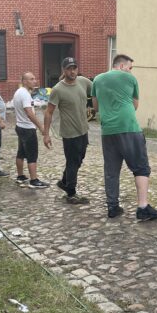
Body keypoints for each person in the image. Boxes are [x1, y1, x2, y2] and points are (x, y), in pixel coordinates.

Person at [92, 54, 157, 221]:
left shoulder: (97, 79)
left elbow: (95, 107)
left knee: (111, 170)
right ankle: (142, 207)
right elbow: (135, 105)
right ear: (122, 66)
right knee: (141, 168)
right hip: (129, 127)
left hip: (108, 130)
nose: (131, 71)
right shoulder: (130, 79)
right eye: (130, 68)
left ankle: (112, 207)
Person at [43, 57, 92, 204]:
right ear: (63, 70)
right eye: (69, 68)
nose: (72, 71)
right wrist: (46, 134)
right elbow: (49, 112)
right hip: (69, 133)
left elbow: (98, 89)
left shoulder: (83, 82)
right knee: (72, 162)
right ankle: (71, 193)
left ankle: (65, 182)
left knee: (79, 159)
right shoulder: (58, 89)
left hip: (83, 130)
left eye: (74, 68)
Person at [12, 72, 49, 188]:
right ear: (24, 81)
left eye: (34, 79)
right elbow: (29, 113)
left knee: (21, 152)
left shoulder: (19, 92)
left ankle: (20, 176)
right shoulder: (25, 94)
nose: (35, 81)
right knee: (32, 154)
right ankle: (34, 180)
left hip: (20, 126)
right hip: (27, 128)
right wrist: (41, 126)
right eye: (31, 79)